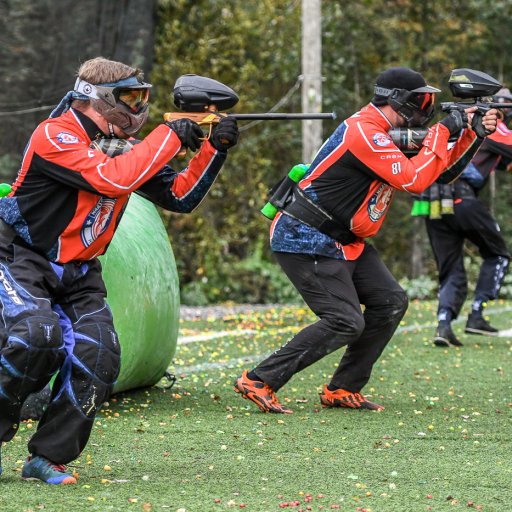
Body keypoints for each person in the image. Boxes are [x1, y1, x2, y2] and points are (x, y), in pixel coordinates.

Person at [0, 56, 238, 484]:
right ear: (99, 99)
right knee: (36, 338)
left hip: (79, 272)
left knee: (100, 355)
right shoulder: (55, 135)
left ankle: (46, 458)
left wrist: (212, 150)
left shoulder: (121, 147)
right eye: (130, 98)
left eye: (142, 98)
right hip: (22, 258)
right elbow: (111, 179)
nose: (138, 108)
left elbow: (179, 195)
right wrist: (167, 136)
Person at [234, 66, 497, 414]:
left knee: (389, 302)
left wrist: (471, 134)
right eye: (421, 101)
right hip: (306, 235)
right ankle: (259, 379)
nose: (426, 107)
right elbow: (413, 181)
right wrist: (445, 129)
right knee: (345, 319)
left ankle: (342, 388)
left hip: (344, 239)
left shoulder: (387, 132)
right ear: (399, 101)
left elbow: (441, 172)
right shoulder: (365, 132)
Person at [423, 88, 512, 347]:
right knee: (498, 254)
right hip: (461, 198)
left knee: (450, 268)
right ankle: (476, 314)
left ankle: (443, 324)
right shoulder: (491, 125)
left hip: (433, 203)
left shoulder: (463, 123)